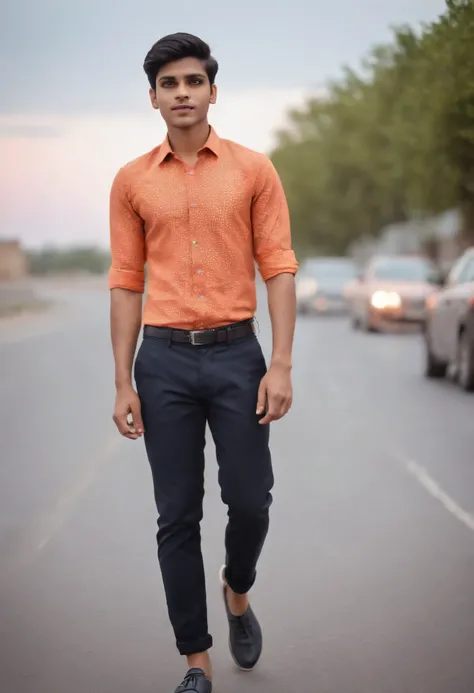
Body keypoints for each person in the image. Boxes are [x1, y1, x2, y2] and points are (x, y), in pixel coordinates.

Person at [108, 32, 298, 693]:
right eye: (169, 83)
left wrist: (281, 362)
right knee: (177, 513)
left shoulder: (253, 170)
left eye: (193, 81)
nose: (182, 92)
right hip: (162, 361)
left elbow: (278, 266)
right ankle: (196, 658)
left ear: (212, 91)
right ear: (153, 97)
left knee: (250, 499)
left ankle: (237, 588)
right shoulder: (131, 180)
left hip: (237, 356)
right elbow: (126, 279)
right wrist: (122, 379)